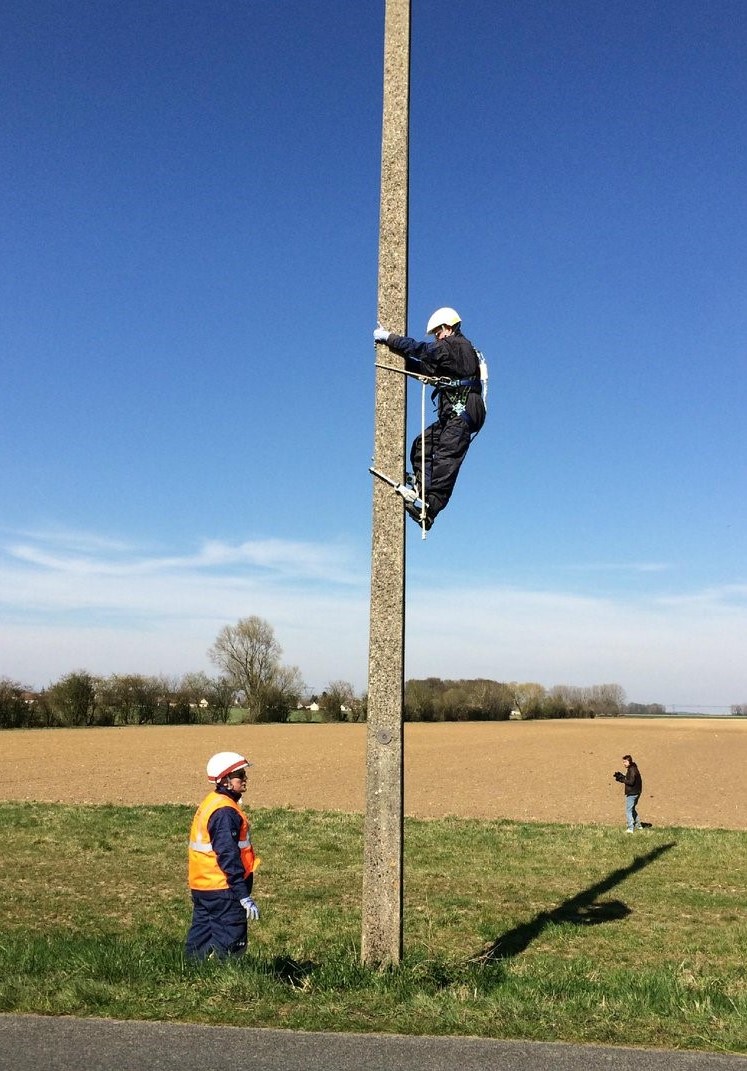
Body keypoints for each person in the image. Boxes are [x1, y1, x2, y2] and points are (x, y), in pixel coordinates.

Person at [374, 307, 486, 530]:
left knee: (446, 456)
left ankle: (430, 507)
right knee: (421, 446)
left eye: (438, 333)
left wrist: (391, 339)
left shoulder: (456, 345)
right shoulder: (452, 352)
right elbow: (427, 368)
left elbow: (423, 351)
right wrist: (396, 360)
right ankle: (422, 489)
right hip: (454, 413)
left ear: (448, 328)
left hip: (462, 412)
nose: (437, 337)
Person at [185, 750, 260, 959]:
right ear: (225, 780)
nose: (245, 780)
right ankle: (227, 982)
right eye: (240, 776)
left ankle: (191, 975)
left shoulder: (212, 801)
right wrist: (242, 894)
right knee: (231, 943)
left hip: (202, 887)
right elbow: (228, 856)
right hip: (224, 889)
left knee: (201, 939)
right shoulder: (225, 812)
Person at [614, 754, 643, 833]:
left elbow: (631, 782)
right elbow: (631, 778)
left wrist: (622, 779)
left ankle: (630, 828)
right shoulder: (633, 768)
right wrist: (623, 776)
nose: (624, 763)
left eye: (625, 762)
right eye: (623, 762)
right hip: (636, 792)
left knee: (628, 810)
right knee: (632, 809)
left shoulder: (632, 770)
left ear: (629, 761)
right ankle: (639, 826)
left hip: (632, 793)